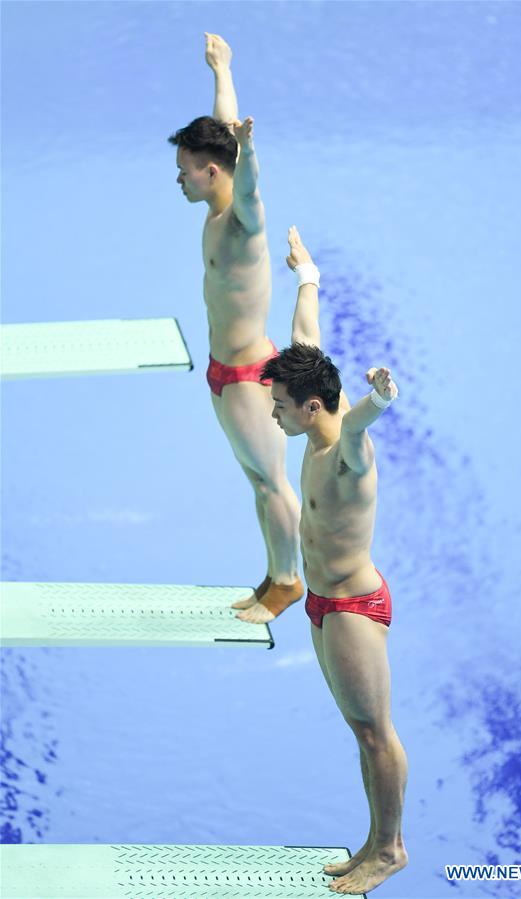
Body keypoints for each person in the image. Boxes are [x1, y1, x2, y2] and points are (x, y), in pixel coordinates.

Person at [261, 226, 409, 895]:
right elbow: (305, 333)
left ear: (312, 405)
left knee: (376, 733)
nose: (274, 415)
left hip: (352, 605)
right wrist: (307, 274)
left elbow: (356, 426)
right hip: (322, 603)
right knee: (360, 731)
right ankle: (372, 842)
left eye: (279, 407)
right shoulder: (315, 403)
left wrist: (380, 397)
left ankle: (390, 849)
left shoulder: (347, 449)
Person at [168, 34, 302, 623]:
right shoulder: (216, 203)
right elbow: (227, 128)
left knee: (272, 483)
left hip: (250, 377)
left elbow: (248, 181)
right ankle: (273, 573)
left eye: (185, 172)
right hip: (223, 372)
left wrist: (251, 151)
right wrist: (222, 69)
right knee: (256, 481)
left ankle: (289, 582)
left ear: (212, 170)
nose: (179, 180)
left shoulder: (244, 221)